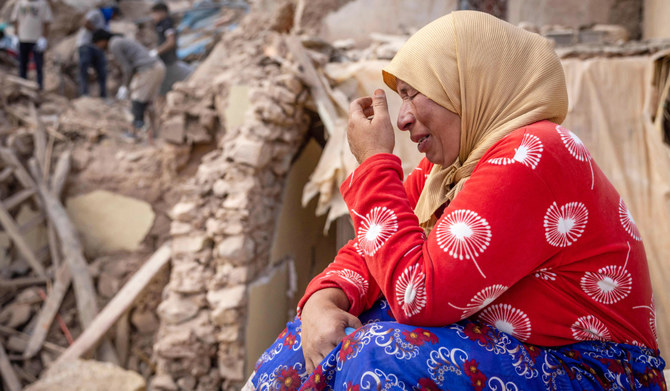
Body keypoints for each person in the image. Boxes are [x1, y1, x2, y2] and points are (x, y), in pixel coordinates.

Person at [246, 11, 666, 391]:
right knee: (305, 344)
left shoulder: (536, 152)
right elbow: (369, 254)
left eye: (413, 93)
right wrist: (322, 304)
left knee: (379, 353)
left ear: (468, 82)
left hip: (597, 370)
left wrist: (375, 164)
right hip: (517, 354)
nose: (403, 117)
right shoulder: (448, 173)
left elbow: (418, 296)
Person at [92, 30, 165, 137]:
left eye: (97, 44)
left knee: (137, 99)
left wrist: (124, 87)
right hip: (158, 66)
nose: (97, 47)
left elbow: (127, 69)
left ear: (101, 40)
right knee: (149, 102)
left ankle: (135, 131)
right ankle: (155, 132)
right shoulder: (119, 40)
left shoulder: (114, 44)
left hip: (148, 69)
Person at [76, 4, 120, 97]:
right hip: (85, 44)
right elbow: (85, 22)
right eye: (115, 16)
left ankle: (103, 96)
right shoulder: (96, 13)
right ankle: (84, 94)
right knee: (84, 69)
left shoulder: (106, 22)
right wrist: (97, 31)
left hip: (97, 48)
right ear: (113, 13)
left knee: (102, 71)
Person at [150, 2, 192, 96]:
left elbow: (171, 42)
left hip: (169, 62)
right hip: (165, 62)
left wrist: (156, 51)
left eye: (154, 14)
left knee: (189, 76)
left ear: (161, 12)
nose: (153, 17)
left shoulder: (167, 24)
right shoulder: (161, 25)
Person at [10, 0, 52, 90]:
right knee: (22, 65)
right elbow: (15, 20)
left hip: (36, 40)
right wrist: (15, 35)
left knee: (38, 65)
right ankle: (22, 87)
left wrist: (43, 38)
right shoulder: (21, 3)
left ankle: (40, 87)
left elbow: (46, 22)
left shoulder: (42, 4)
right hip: (23, 38)